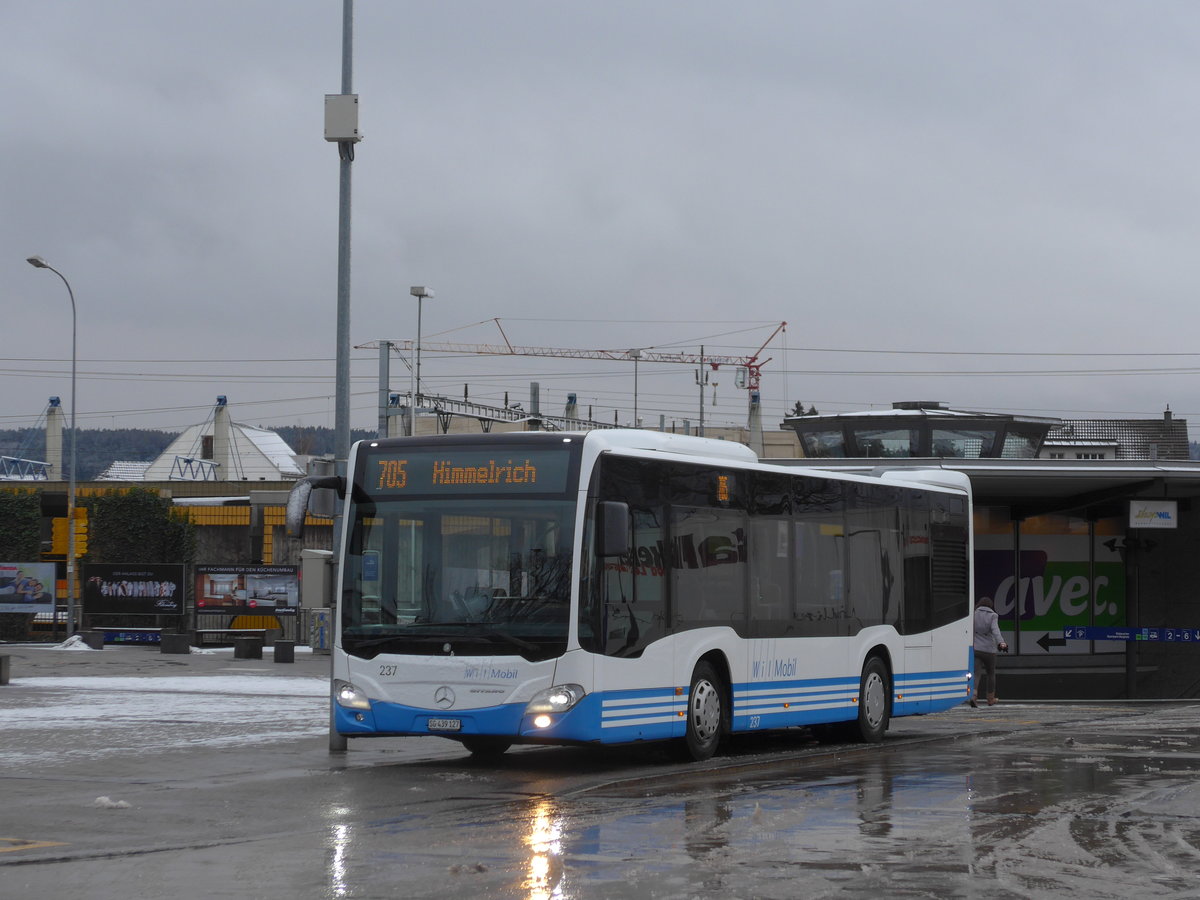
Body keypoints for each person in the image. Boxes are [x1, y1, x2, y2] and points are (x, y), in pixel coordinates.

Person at [971, 597, 1008, 707]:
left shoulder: (973, 614)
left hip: (976, 649)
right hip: (989, 650)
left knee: (976, 674)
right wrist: (1001, 643)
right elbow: (996, 631)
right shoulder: (993, 616)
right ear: (990, 606)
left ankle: (973, 696)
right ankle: (990, 699)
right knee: (991, 674)